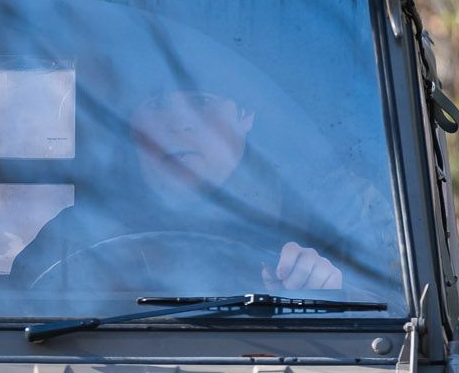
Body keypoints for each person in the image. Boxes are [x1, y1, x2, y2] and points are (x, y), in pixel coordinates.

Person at [125, 86, 345, 291]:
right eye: (156, 104)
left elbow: (364, 301)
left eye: (201, 100)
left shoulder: (330, 209)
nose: (177, 123)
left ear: (246, 114)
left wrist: (326, 291)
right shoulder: (105, 211)